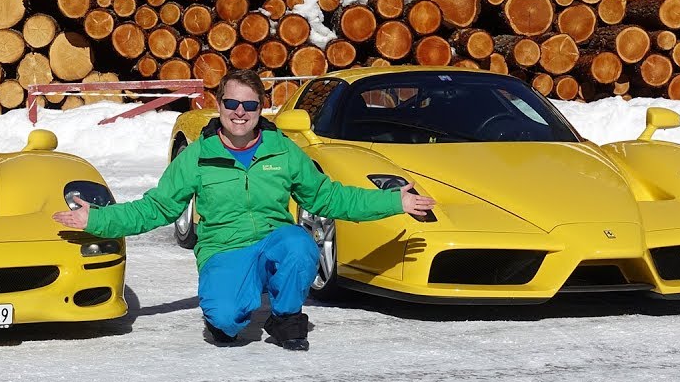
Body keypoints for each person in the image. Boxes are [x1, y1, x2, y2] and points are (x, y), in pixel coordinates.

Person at [53, 69, 436, 351]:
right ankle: (237, 294)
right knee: (225, 323)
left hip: (273, 240)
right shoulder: (199, 157)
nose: (240, 112)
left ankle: (285, 316)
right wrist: (97, 219)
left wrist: (394, 201)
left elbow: (329, 198)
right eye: (231, 103)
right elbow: (157, 208)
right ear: (219, 105)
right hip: (224, 249)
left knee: (300, 244)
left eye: (249, 105)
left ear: (259, 109)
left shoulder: (282, 151)